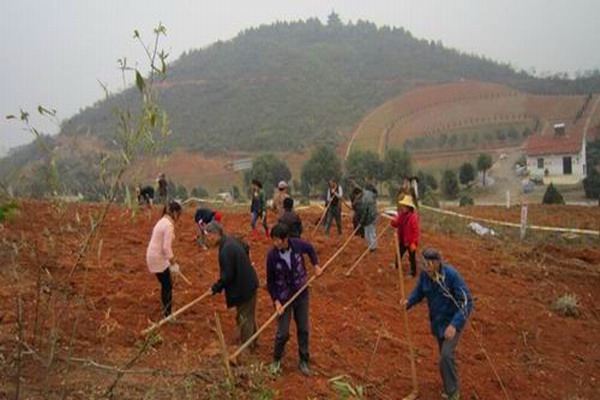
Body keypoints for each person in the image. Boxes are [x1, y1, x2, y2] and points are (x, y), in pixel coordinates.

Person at [401, 249, 473, 400]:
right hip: (438, 323)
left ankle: (453, 393)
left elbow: (467, 302)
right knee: (445, 356)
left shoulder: (452, 276)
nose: (425, 267)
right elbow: (419, 292)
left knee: (446, 356)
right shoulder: (425, 276)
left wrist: (454, 325)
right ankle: (450, 384)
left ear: (437, 263)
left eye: (428, 264)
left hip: (452, 323)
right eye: (423, 263)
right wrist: (408, 302)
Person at [266, 223, 323, 376]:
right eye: (273, 240)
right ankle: (276, 360)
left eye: (278, 240)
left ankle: (304, 360)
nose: (275, 243)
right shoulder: (272, 256)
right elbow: (270, 282)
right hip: (284, 298)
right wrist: (276, 302)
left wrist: (316, 265)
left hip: (301, 293)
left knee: (303, 329)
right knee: (283, 333)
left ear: (285, 239)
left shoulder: (297, 245)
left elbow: (310, 249)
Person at [206, 221, 259, 346]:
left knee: (244, 318)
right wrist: (244, 264)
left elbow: (227, 276)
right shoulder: (230, 240)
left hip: (244, 287)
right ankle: (253, 340)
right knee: (248, 314)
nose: (208, 238)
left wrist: (215, 288)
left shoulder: (226, 250)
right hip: (249, 283)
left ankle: (247, 347)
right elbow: (246, 247)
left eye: (209, 235)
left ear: (217, 234)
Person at [146, 201, 182, 317]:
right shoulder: (168, 225)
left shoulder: (162, 221)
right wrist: (173, 264)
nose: (179, 217)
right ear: (175, 213)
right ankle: (168, 315)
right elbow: (166, 248)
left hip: (154, 255)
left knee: (165, 284)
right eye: (179, 214)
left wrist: (170, 262)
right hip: (158, 257)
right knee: (168, 286)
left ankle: (166, 311)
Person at [391, 195, 420, 276]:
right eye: (402, 206)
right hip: (402, 239)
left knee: (412, 257)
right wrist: (393, 221)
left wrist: (414, 242)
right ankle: (397, 266)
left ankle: (413, 273)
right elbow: (397, 223)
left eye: (404, 206)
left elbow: (416, 231)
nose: (402, 207)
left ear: (408, 207)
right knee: (399, 254)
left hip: (410, 241)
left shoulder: (413, 217)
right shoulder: (401, 215)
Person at [358, 185, 378, 251]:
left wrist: (361, 221)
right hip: (373, 217)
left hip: (368, 218)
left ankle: (372, 247)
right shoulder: (372, 196)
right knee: (372, 233)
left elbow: (364, 211)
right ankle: (373, 246)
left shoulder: (365, 197)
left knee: (368, 234)